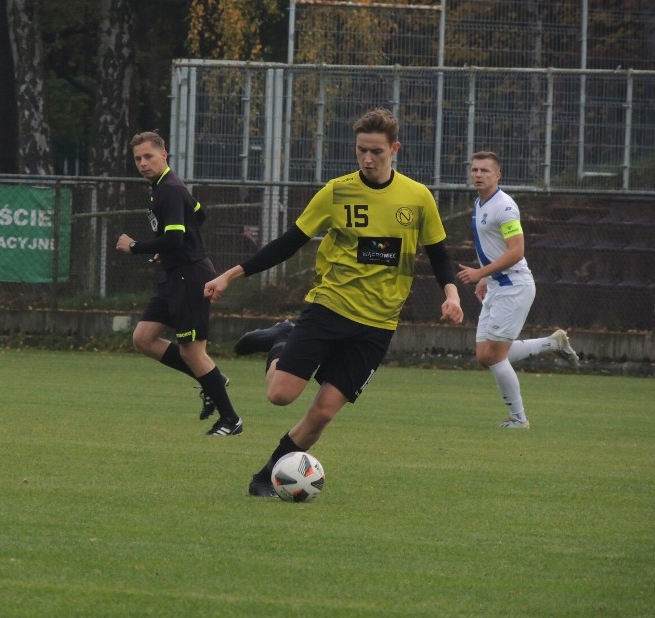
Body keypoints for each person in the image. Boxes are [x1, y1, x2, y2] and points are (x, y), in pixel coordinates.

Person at [204, 108, 464, 497]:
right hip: (330, 308)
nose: (367, 158)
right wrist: (230, 274)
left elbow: (439, 255)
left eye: (376, 151)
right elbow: (287, 244)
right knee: (280, 396)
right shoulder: (337, 191)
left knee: (323, 413)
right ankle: (281, 339)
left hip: (377, 327)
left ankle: (265, 477)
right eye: (361, 150)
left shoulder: (418, 197)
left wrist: (452, 293)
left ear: (395, 148)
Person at [116, 131, 242, 436]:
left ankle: (230, 419)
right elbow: (199, 214)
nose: (143, 163)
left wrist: (135, 247)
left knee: (192, 352)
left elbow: (174, 237)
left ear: (164, 156)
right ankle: (212, 378)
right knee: (144, 338)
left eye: (149, 156)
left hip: (190, 277)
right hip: (173, 277)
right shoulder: (165, 187)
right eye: (138, 159)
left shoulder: (169, 190)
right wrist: (171, 247)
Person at [456, 151, 580, 430]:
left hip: (514, 286)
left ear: (498, 175)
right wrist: (485, 279)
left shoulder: (505, 207)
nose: (478, 174)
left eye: (485, 170)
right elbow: (493, 249)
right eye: (474, 169)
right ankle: (552, 344)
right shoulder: (479, 203)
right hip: (497, 285)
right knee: (484, 356)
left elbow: (516, 251)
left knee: (495, 356)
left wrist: (480, 273)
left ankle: (519, 419)